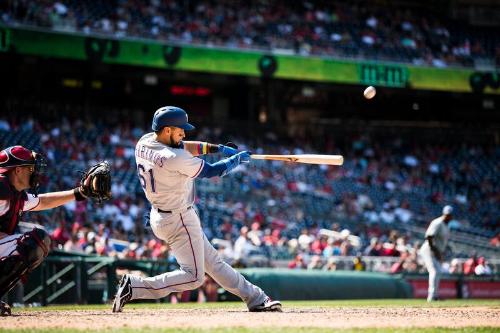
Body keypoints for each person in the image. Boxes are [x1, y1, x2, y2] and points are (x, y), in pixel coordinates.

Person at [112, 106, 281, 313]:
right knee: (194, 277)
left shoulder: (145, 141)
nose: (184, 132)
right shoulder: (173, 157)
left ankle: (257, 298)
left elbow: (183, 146)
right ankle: (135, 286)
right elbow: (211, 171)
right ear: (167, 130)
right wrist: (234, 161)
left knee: (214, 264)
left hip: (161, 214)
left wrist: (216, 148)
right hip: (179, 218)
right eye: (180, 129)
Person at [0, 145, 110, 316]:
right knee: (36, 240)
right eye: (30, 167)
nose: (34, 172)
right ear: (18, 170)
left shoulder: (14, 194)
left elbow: (43, 201)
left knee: (40, 240)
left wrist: (79, 193)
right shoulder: (2, 187)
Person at [418, 205, 453, 302]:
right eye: (447, 214)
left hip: (436, 251)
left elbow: (442, 242)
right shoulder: (437, 222)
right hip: (428, 250)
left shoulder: (446, 226)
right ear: (444, 214)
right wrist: (436, 252)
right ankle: (431, 296)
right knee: (434, 271)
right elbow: (429, 237)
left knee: (438, 272)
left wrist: (440, 252)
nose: (448, 216)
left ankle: (435, 295)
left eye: (449, 215)